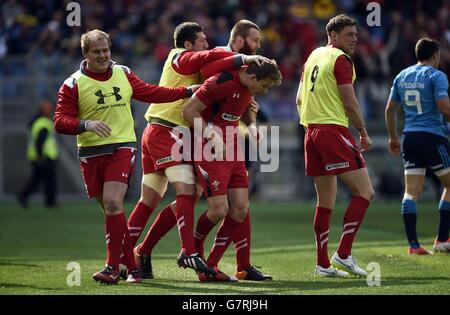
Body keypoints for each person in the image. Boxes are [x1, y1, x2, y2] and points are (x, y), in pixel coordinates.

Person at [129, 21, 269, 280]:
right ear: (240, 41)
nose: (207, 43)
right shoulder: (194, 58)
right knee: (191, 193)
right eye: (255, 40)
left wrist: (251, 122)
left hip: (181, 133)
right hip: (175, 131)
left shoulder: (226, 66)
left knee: (155, 200)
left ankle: (134, 254)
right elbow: (211, 69)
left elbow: (244, 95)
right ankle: (189, 252)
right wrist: (243, 58)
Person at [54, 29, 196, 285]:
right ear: (85, 54)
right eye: (97, 51)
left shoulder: (123, 73)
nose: (103, 55)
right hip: (90, 152)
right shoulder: (73, 84)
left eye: (106, 50)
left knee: (112, 203)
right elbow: (60, 121)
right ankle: (133, 267)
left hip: (122, 147)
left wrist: (185, 92)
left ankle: (111, 267)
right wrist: (85, 124)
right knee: (112, 212)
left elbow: (151, 92)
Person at [182, 60, 282, 281]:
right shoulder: (220, 82)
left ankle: (210, 265)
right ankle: (192, 250)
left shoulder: (248, 88)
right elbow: (188, 111)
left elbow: (246, 109)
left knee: (240, 208)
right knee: (219, 209)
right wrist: (211, 136)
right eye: (264, 86)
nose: (264, 91)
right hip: (209, 150)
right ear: (253, 77)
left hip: (234, 151)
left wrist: (253, 126)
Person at [296, 14, 374, 278]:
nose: (355, 39)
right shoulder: (341, 60)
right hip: (332, 130)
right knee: (365, 192)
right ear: (333, 36)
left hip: (311, 132)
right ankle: (343, 254)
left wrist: (310, 125)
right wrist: (362, 131)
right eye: (349, 35)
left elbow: (298, 99)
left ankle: (322, 263)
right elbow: (350, 102)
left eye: (355, 34)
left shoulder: (313, 56)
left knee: (325, 200)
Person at [385, 37, 450, 254]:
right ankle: (442, 239)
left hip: (409, 138)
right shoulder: (437, 76)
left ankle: (413, 245)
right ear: (435, 55)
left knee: (411, 192)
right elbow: (444, 107)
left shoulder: (402, 76)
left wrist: (393, 138)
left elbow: (390, 110)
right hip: (432, 136)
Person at [17, 100, 58, 208]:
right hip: (45, 157)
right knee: (49, 180)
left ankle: (23, 195)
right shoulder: (43, 123)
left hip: (36, 156)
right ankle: (50, 202)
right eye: (49, 110)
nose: (51, 112)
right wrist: (41, 157)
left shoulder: (35, 122)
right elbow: (40, 141)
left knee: (37, 179)